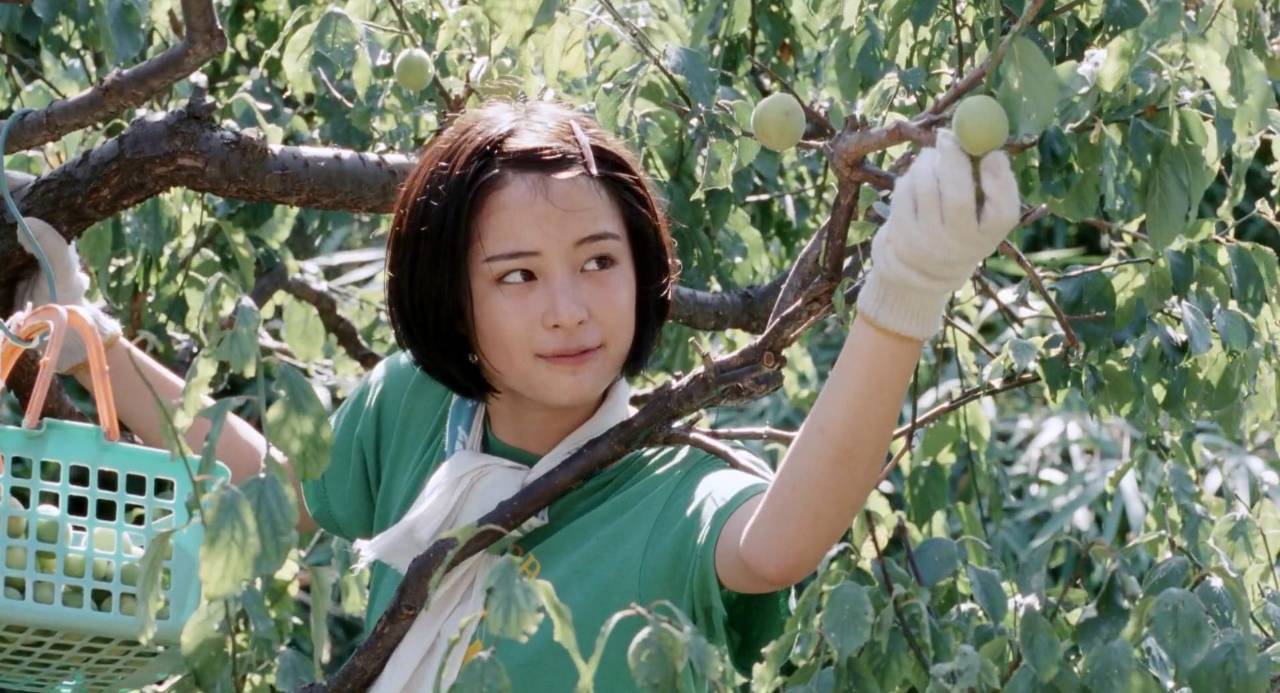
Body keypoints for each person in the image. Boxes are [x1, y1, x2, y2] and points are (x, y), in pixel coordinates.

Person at [3, 98, 1021, 690]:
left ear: (643, 269)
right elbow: (289, 509)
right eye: (518, 276)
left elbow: (776, 541)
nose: (570, 310)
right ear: (456, 301)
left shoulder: (666, 485)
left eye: (596, 261)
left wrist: (902, 296)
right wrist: (98, 339)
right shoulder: (413, 404)